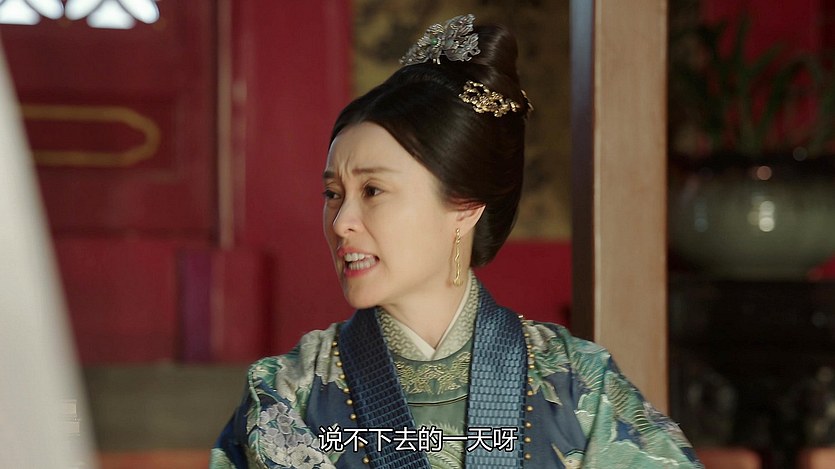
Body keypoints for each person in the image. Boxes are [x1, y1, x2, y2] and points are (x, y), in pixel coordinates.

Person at [210, 14, 702, 469]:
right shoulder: (286, 395)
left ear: (464, 206)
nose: (341, 222)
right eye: (333, 194)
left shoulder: (579, 385)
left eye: (373, 191)